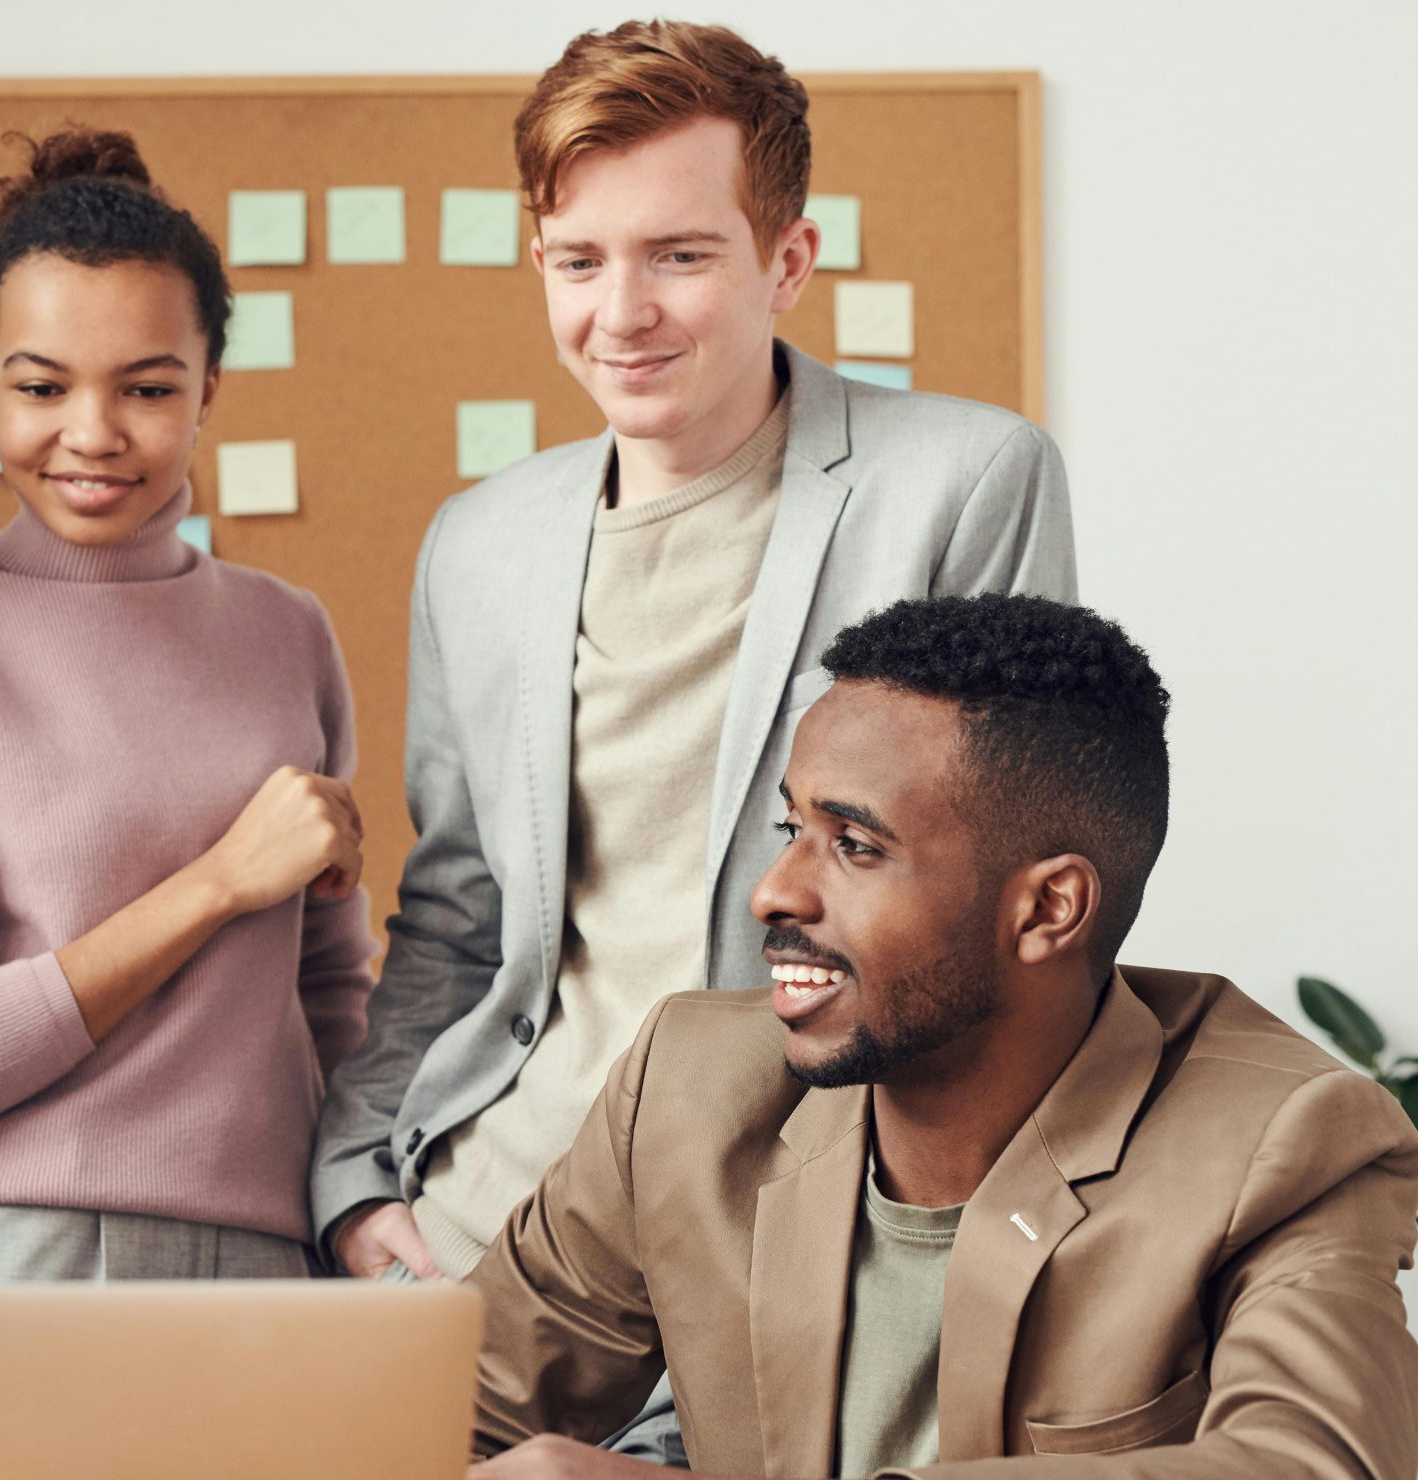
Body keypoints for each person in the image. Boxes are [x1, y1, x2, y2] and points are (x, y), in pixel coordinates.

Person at [455, 593, 1418, 1480]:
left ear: (1047, 908)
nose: (774, 891)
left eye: (854, 846)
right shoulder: (687, 1085)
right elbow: (449, 1423)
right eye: (793, 827)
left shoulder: (1287, 1137)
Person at [312, 20, 1079, 1304]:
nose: (622, 313)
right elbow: (455, 915)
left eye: (679, 254)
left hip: (791, 1233)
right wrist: (354, 1181)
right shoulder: (478, 545)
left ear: (787, 260)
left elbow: (1003, 901)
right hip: (478, 1234)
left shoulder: (962, 482)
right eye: (579, 260)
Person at [0, 129, 375, 1282]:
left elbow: (329, 998)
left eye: (148, 388)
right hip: (19, 1258)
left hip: (281, 1264)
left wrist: (362, 1213)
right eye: (40, 386)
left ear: (210, 386)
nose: (91, 434)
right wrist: (219, 884)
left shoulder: (289, 633)